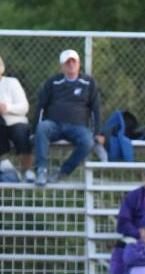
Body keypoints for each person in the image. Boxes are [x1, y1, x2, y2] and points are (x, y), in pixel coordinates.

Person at [33, 49, 104, 187]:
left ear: (79, 64)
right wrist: (33, 130)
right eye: (67, 62)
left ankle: (62, 171)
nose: (71, 64)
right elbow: (40, 106)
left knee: (88, 142)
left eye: (74, 61)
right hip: (54, 124)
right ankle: (41, 170)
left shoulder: (89, 83)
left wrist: (97, 133)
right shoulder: (52, 82)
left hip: (78, 127)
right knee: (42, 128)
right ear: (62, 66)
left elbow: (96, 109)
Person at [0, 55, 33, 180]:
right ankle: (6, 165)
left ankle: (28, 171)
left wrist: (7, 107)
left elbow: (24, 107)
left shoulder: (11, 82)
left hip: (15, 121)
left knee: (21, 132)